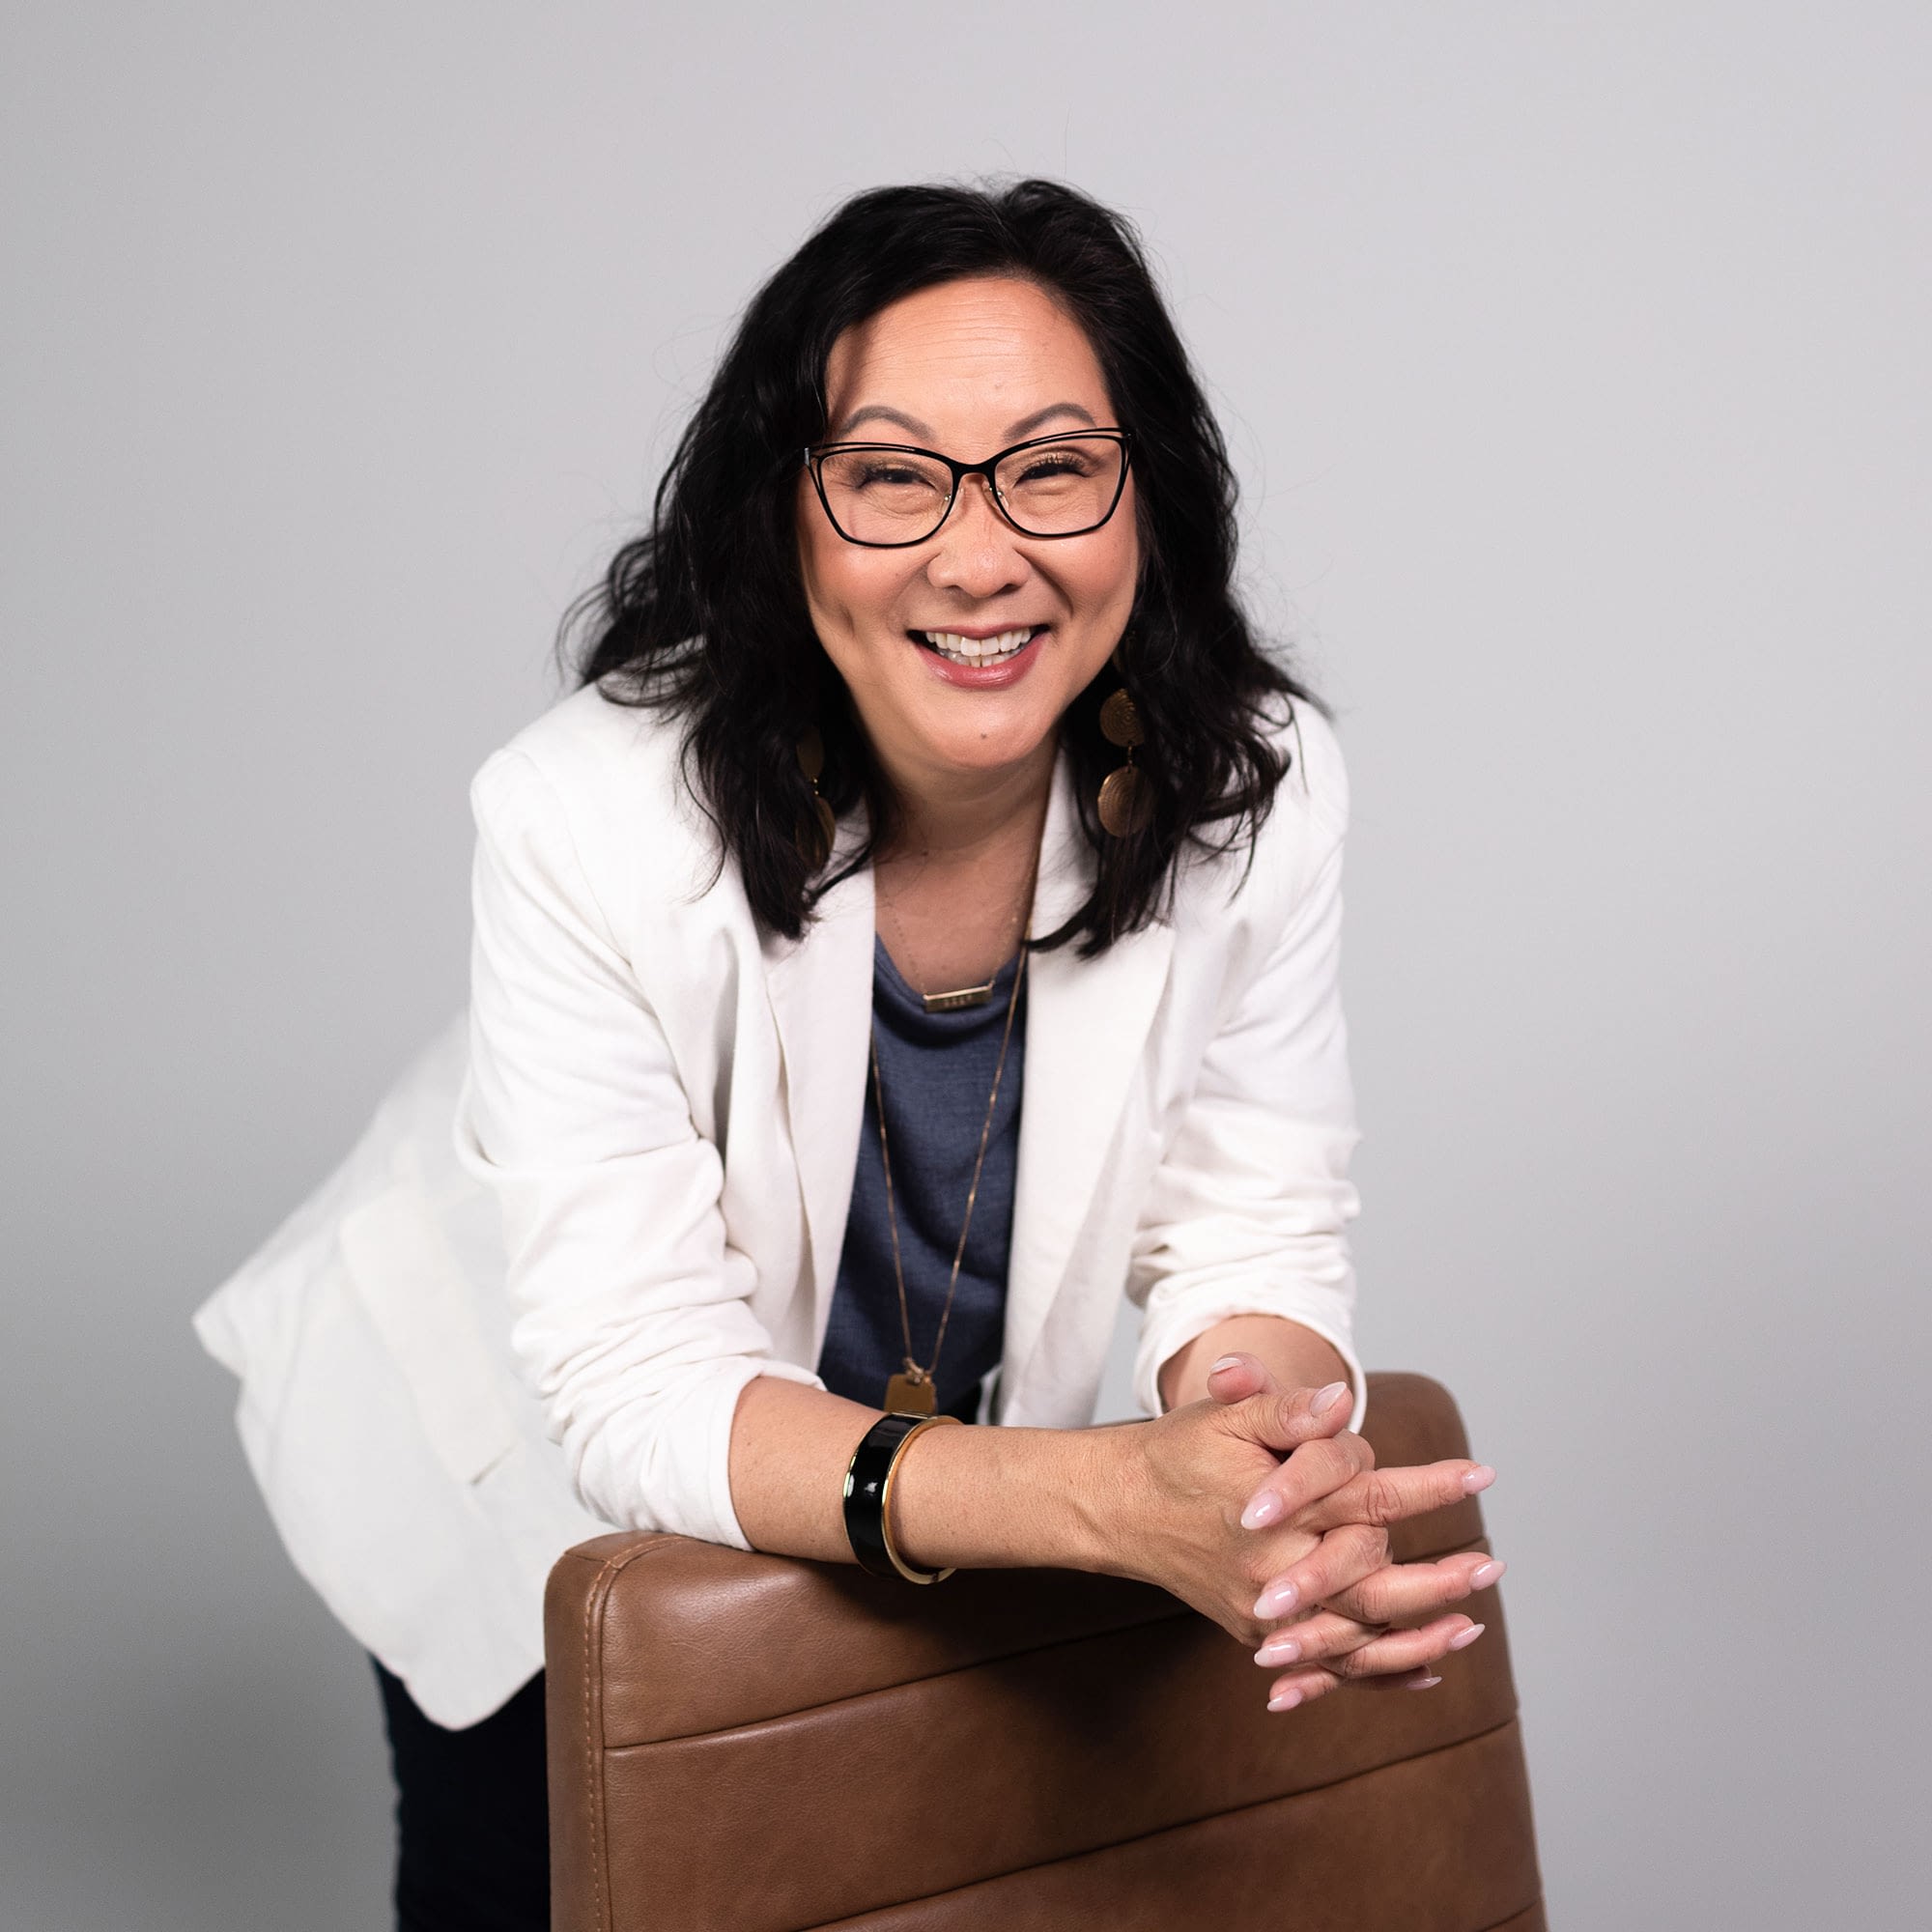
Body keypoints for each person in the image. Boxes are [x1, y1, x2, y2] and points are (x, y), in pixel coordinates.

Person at [197, 179, 1505, 1932]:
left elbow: (1251, 1217)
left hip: (913, 1444)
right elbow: (640, 1384)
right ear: (785, 516)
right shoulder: (582, 819)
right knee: (541, 1875)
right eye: (891, 475)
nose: (982, 555)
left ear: (1150, 501)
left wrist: (1258, 1467)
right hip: (511, 1440)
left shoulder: (1254, 792)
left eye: (1052, 466)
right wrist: (1107, 1496)